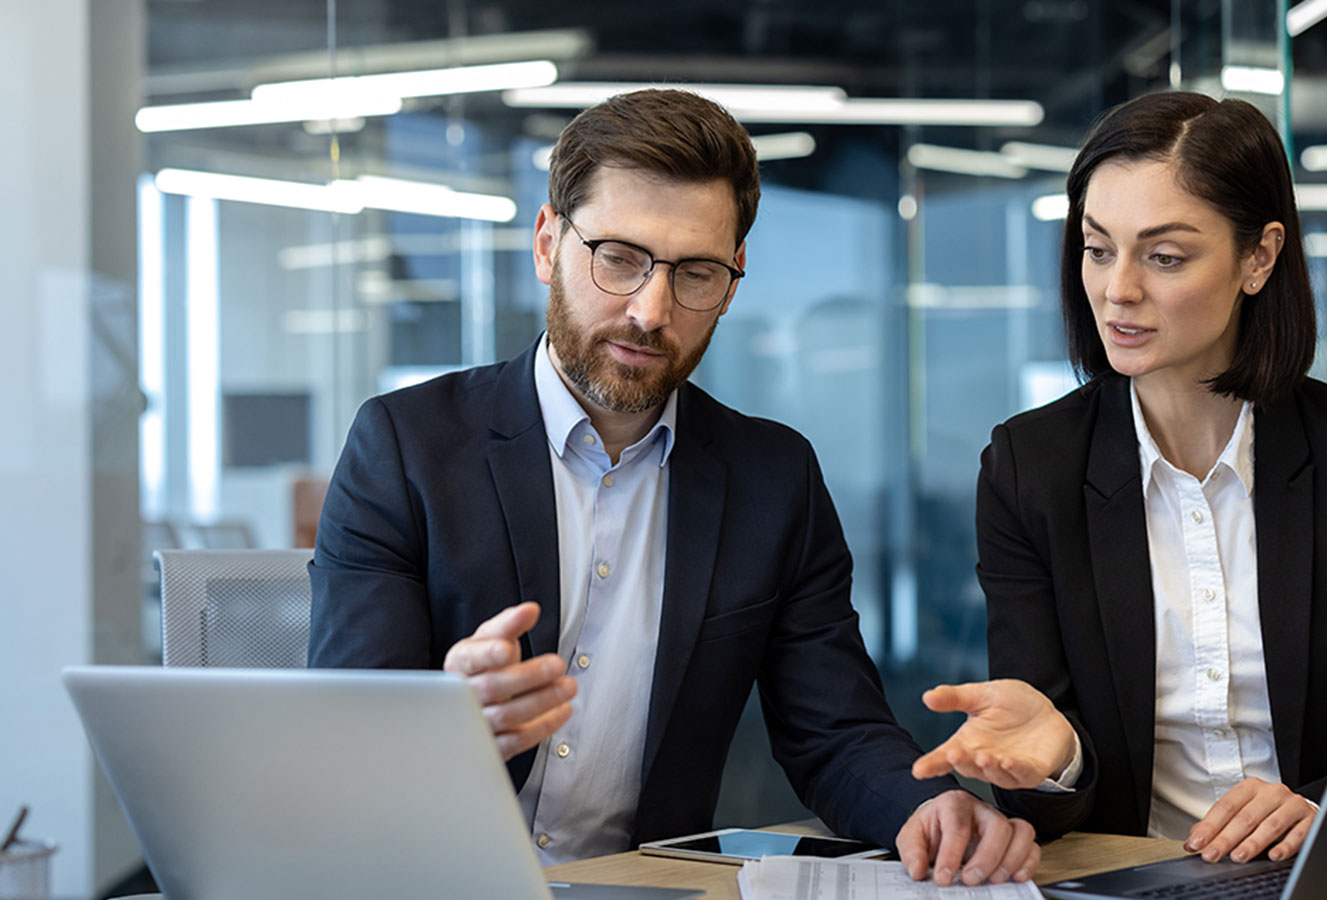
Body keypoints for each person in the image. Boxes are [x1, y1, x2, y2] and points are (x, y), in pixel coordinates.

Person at [307, 88, 1038, 886]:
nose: (649, 311)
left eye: (694, 273)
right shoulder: (407, 447)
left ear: (733, 280)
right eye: (618, 258)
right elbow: (346, 738)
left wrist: (923, 808)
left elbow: (834, 731)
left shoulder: (773, 478)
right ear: (549, 243)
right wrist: (440, 719)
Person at [911, 91, 1327, 866]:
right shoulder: (1029, 469)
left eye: (1164, 256)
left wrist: (1321, 806)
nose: (1118, 290)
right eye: (1098, 248)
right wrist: (1058, 756)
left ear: (1259, 258)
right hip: (1129, 881)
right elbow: (1039, 783)